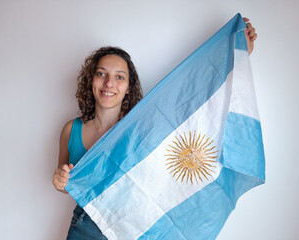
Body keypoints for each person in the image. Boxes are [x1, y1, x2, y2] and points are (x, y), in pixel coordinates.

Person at [52, 18, 257, 239]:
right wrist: (60, 181)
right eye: (101, 73)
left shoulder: (142, 127)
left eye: (119, 77)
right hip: (85, 229)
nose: (109, 83)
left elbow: (199, 107)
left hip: (135, 230)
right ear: (91, 80)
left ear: (129, 88)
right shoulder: (71, 129)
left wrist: (238, 53)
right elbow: (66, 184)